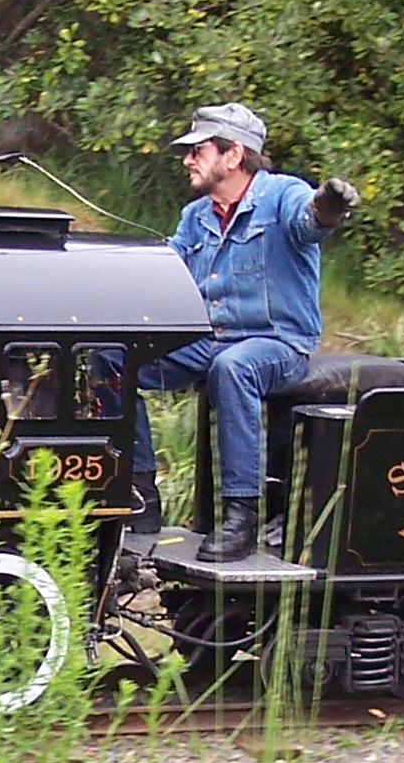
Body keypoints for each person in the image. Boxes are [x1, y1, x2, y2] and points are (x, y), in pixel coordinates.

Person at [131, 101, 358, 559]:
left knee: (234, 368)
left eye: (198, 151)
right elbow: (165, 273)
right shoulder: (195, 215)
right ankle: (139, 496)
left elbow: (310, 220)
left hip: (278, 344)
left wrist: (329, 206)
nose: (188, 160)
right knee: (111, 361)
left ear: (233, 155)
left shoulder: (283, 194)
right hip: (208, 341)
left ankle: (241, 515)